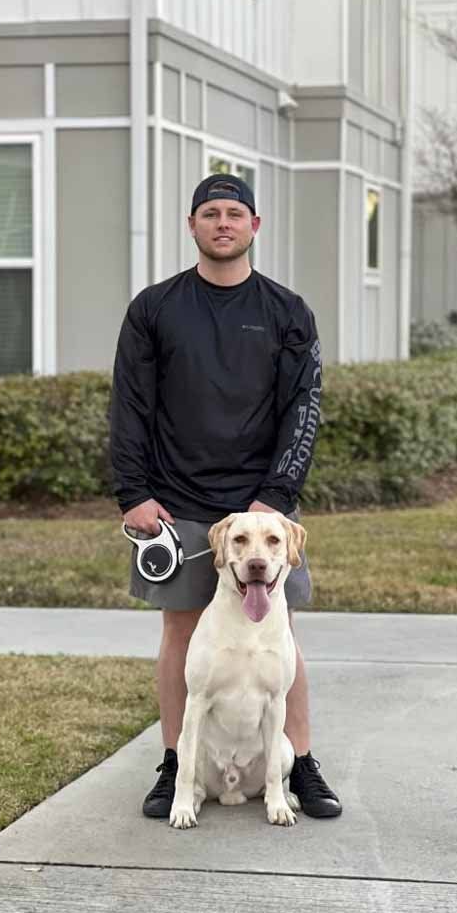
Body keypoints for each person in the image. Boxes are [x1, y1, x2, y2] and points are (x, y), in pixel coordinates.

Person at [109, 173, 342, 821]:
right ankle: (175, 763)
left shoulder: (287, 311)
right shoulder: (154, 310)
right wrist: (133, 492)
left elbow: (304, 405)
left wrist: (277, 494)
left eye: (234, 213)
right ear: (191, 226)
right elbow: (129, 405)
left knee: (282, 631)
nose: (222, 223)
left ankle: (298, 762)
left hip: (264, 506)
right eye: (209, 213)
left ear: (254, 226)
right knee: (181, 631)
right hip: (177, 504)